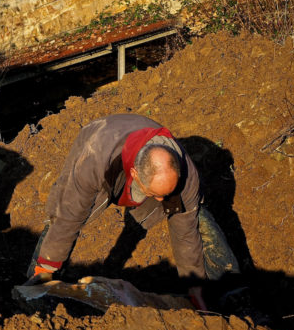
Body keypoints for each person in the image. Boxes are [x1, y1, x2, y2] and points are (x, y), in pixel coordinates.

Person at [26, 113, 212, 308]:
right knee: (63, 211)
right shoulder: (95, 159)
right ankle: (38, 279)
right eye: (155, 193)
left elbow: (186, 235)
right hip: (101, 145)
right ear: (135, 174)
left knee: (194, 213)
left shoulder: (188, 178)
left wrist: (195, 287)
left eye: (164, 194)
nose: (160, 201)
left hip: (130, 157)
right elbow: (70, 215)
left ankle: (223, 287)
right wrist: (46, 267)